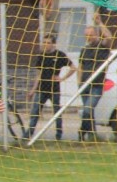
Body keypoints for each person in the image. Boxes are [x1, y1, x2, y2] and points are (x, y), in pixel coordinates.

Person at [25, 34, 76, 141]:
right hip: (41, 89)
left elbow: (73, 68)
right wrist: (33, 90)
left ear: (53, 44)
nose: (45, 45)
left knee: (57, 112)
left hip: (54, 89)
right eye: (44, 42)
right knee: (35, 112)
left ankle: (58, 134)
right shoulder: (41, 56)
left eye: (48, 43)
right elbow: (38, 75)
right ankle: (28, 135)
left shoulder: (59, 55)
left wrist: (62, 78)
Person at [79, 12, 112, 141]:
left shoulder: (102, 47)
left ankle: (81, 132)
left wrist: (99, 23)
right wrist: (79, 83)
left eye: (91, 35)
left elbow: (109, 37)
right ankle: (92, 135)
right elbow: (80, 67)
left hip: (97, 85)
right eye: (86, 35)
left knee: (87, 110)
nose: (89, 37)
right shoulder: (84, 50)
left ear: (97, 34)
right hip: (84, 85)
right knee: (89, 113)